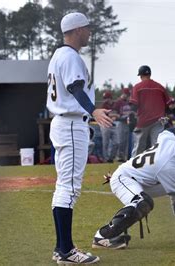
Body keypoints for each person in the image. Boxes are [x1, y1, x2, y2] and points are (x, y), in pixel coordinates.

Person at [92, 118, 175, 249]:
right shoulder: (169, 163)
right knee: (143, 202)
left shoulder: (170, 140)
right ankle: (103, 237)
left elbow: (168, 131)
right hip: (124, 179)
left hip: (142, 181)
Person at [46, 12, 113, 264]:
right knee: (69, 188)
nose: (89, 32)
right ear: (75, 30)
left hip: (66, 123)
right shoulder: (70, 56)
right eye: (86, 28)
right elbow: (75, 88)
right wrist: (93, 110)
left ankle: (61, 247)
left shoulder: (58, 55)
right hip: (71, 124)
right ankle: (66, 251)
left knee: (64, 186)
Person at [130, 65, 171, 156]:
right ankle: (157, 167)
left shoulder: (137, 87)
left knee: (139, 147)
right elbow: (169, 106)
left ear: (140, 76)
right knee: (157, 146)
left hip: (142, 121)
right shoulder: (160, 87)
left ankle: (134, 167)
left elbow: (134, 105)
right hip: (158, 121)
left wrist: (132, 118)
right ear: (150, 74)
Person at [113, 88, 131, 162]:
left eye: (127, 95)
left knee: (126, 141)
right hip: (120, 122)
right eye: (125, 94)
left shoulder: (129, 102)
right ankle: (119, 156)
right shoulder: (118, 102)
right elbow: (113, 113)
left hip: (128, 123)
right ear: (122, 94)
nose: (126, 96)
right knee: (120, 141)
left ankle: (124, 157)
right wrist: (119, 116)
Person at [100, 90, 119, 163]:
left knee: (117, 143)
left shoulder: (115, 104)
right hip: (105, 125)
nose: (105, 100)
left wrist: (115, 115)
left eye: (106, 98)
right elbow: (106, 114)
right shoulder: (104, 105)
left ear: (110, 98)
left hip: (113, 125)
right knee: (105, 143)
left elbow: (118, 114)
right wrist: (114, 115)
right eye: (104, 98)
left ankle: (111, 158)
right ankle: (106, 159)